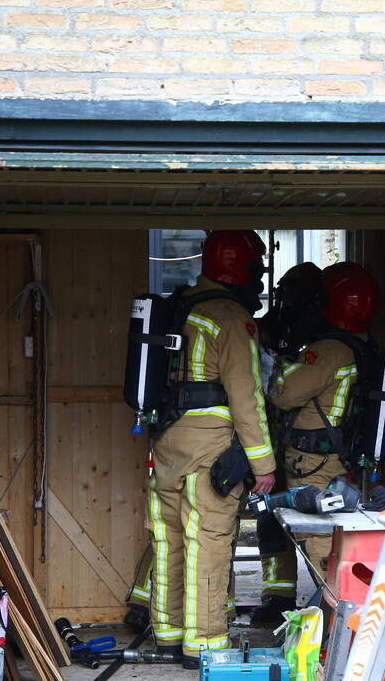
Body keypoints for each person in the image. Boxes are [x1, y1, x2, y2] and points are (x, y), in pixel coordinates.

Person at [143, 230, 276, 669]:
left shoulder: (179, 306)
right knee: (208, 541)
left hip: (168, 439)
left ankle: (167, 636)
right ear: (244, 271)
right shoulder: (232, 318)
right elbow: (247, 396)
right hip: (211, 447)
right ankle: (204, 644)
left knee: (169, 540)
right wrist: (263, 462)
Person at [252, 261, 380, 625]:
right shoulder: (364, 345)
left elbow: (283, 394)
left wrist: (276, 362)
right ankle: (341, 616)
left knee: (319, 540)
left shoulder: (329, 350)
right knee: (336, 536)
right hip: (342, 457)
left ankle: (342, 623)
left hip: (313, 463)